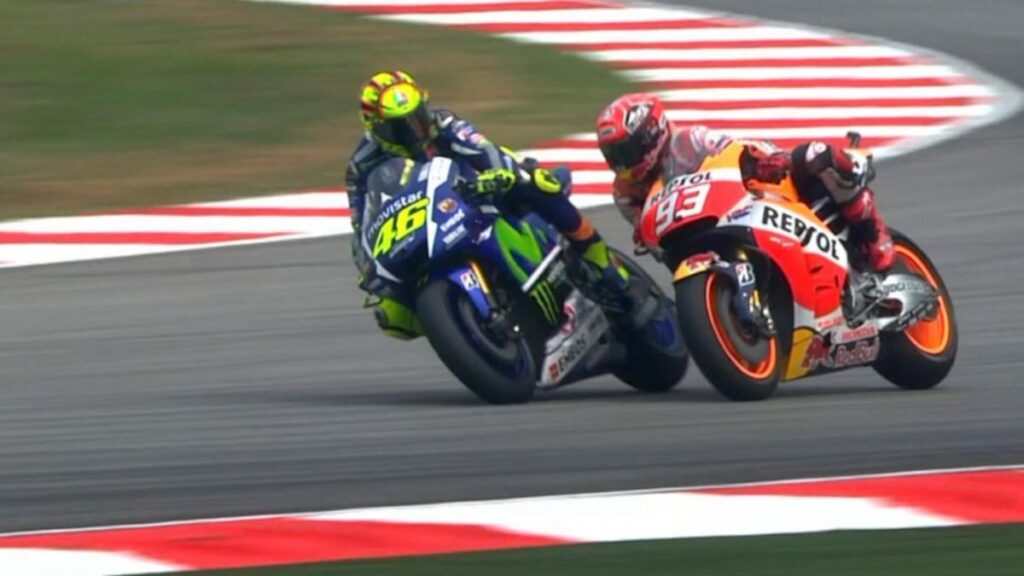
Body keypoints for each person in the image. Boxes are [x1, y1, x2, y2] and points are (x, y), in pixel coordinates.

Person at [347, 70, 635, 339]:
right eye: (400, 127)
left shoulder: (442, 123)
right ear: (376, 130)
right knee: (392, 315)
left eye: (418, 117)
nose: (416, 130)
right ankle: (465, 323)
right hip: (427, 223)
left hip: (475, 189)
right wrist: (367, 267)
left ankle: (599, 257)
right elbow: (362, 225)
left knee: (536, 181)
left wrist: (499, 173)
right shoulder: (361, 167)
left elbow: (482, 149)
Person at [595, 93, 894, 273]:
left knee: (814, 155)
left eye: (625, 152)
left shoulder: (688, 141)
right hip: (700, 239)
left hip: (752, 196)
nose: (621, 164)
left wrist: (765, 160)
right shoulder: (625, 193)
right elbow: (657, 247)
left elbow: (732, 149)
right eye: (613, 156)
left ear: (651, 134)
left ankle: (872, 230)